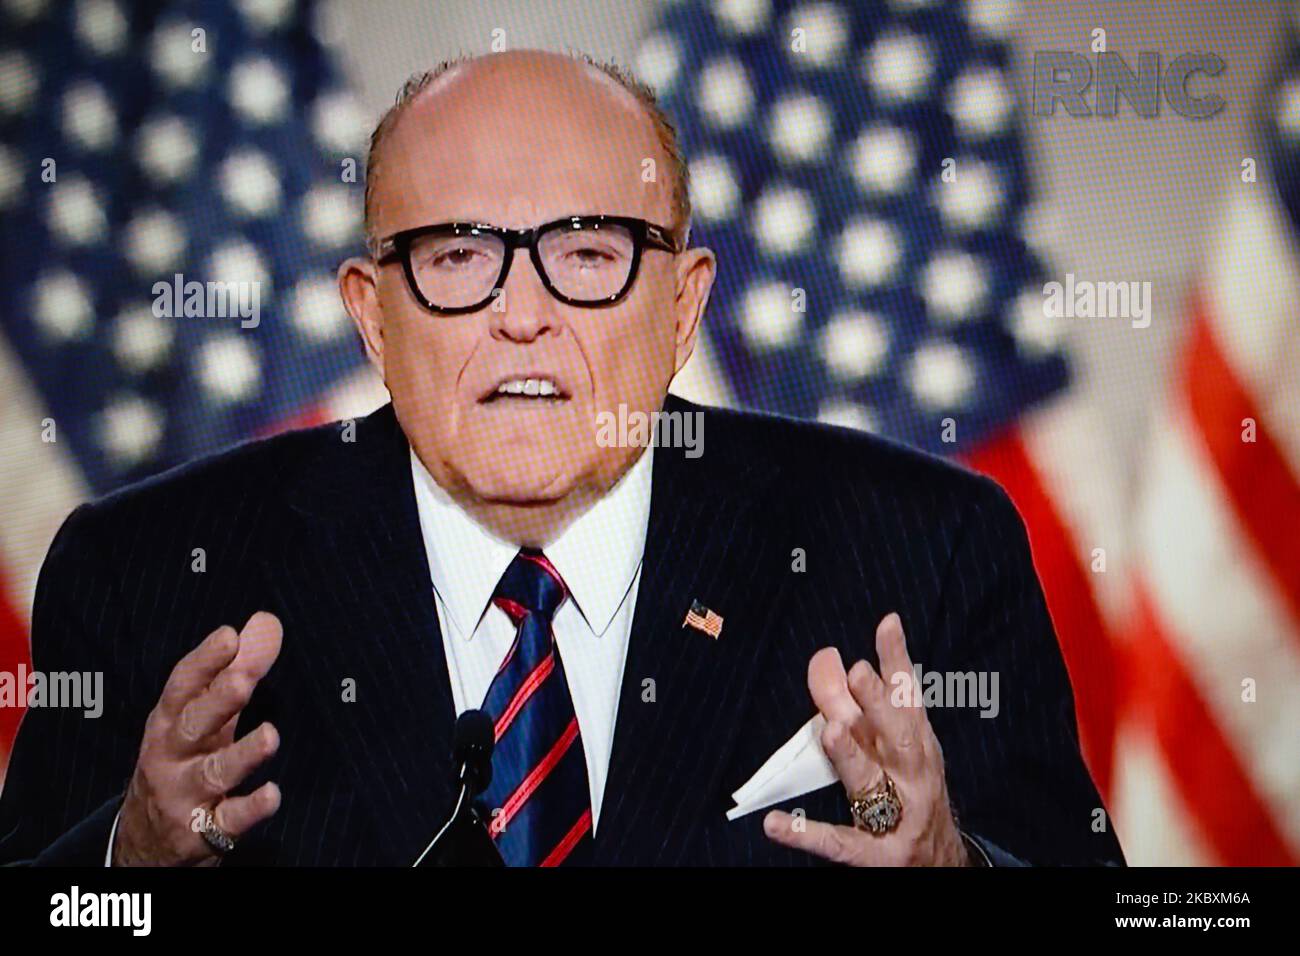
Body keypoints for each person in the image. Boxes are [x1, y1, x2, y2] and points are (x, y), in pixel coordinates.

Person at [0, 49, 1123, 867]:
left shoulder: (921, 549)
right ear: (372, 317)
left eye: (586, 253)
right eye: (457, 256)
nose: (521, 312)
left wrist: (951, 870)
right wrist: (125, 866)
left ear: (683, 310)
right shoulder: (146, 572)